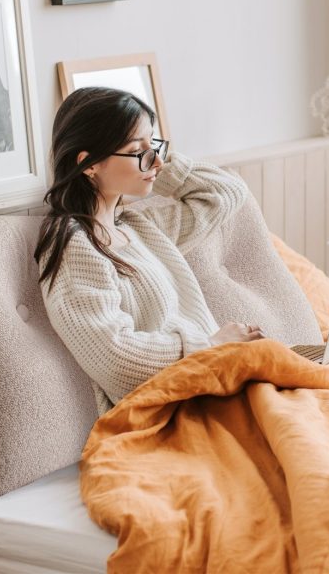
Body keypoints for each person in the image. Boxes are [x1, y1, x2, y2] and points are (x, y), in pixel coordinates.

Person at [35, 87, 264, 415]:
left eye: (155, 146)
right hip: (174, 409)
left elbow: (226, 192)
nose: (155, 160)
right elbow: (114, 357)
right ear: (88, 164)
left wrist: (153, 159)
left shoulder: (138, 226)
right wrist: (211, 346)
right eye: (136, 150)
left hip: (215, 384)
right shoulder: (76, 247)